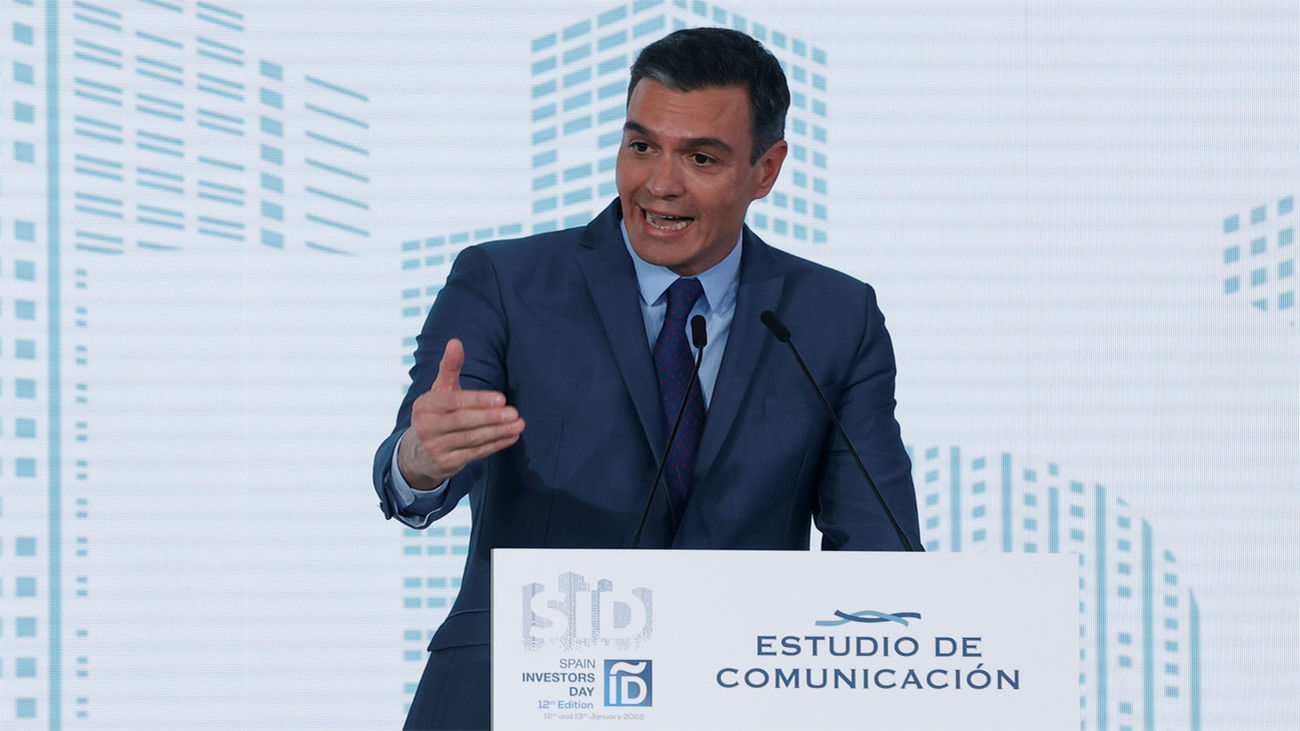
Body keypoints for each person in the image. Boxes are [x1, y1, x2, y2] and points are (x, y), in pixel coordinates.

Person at [372, 27, 921, 730]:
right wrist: (420, 461)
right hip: (519, 694)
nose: (659, 185)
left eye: (700, 157)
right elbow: (417, 463)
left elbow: (880, 549)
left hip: (737, 703)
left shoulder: (834, 316)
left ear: (766, 170)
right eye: (640, 147)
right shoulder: (506, 282)